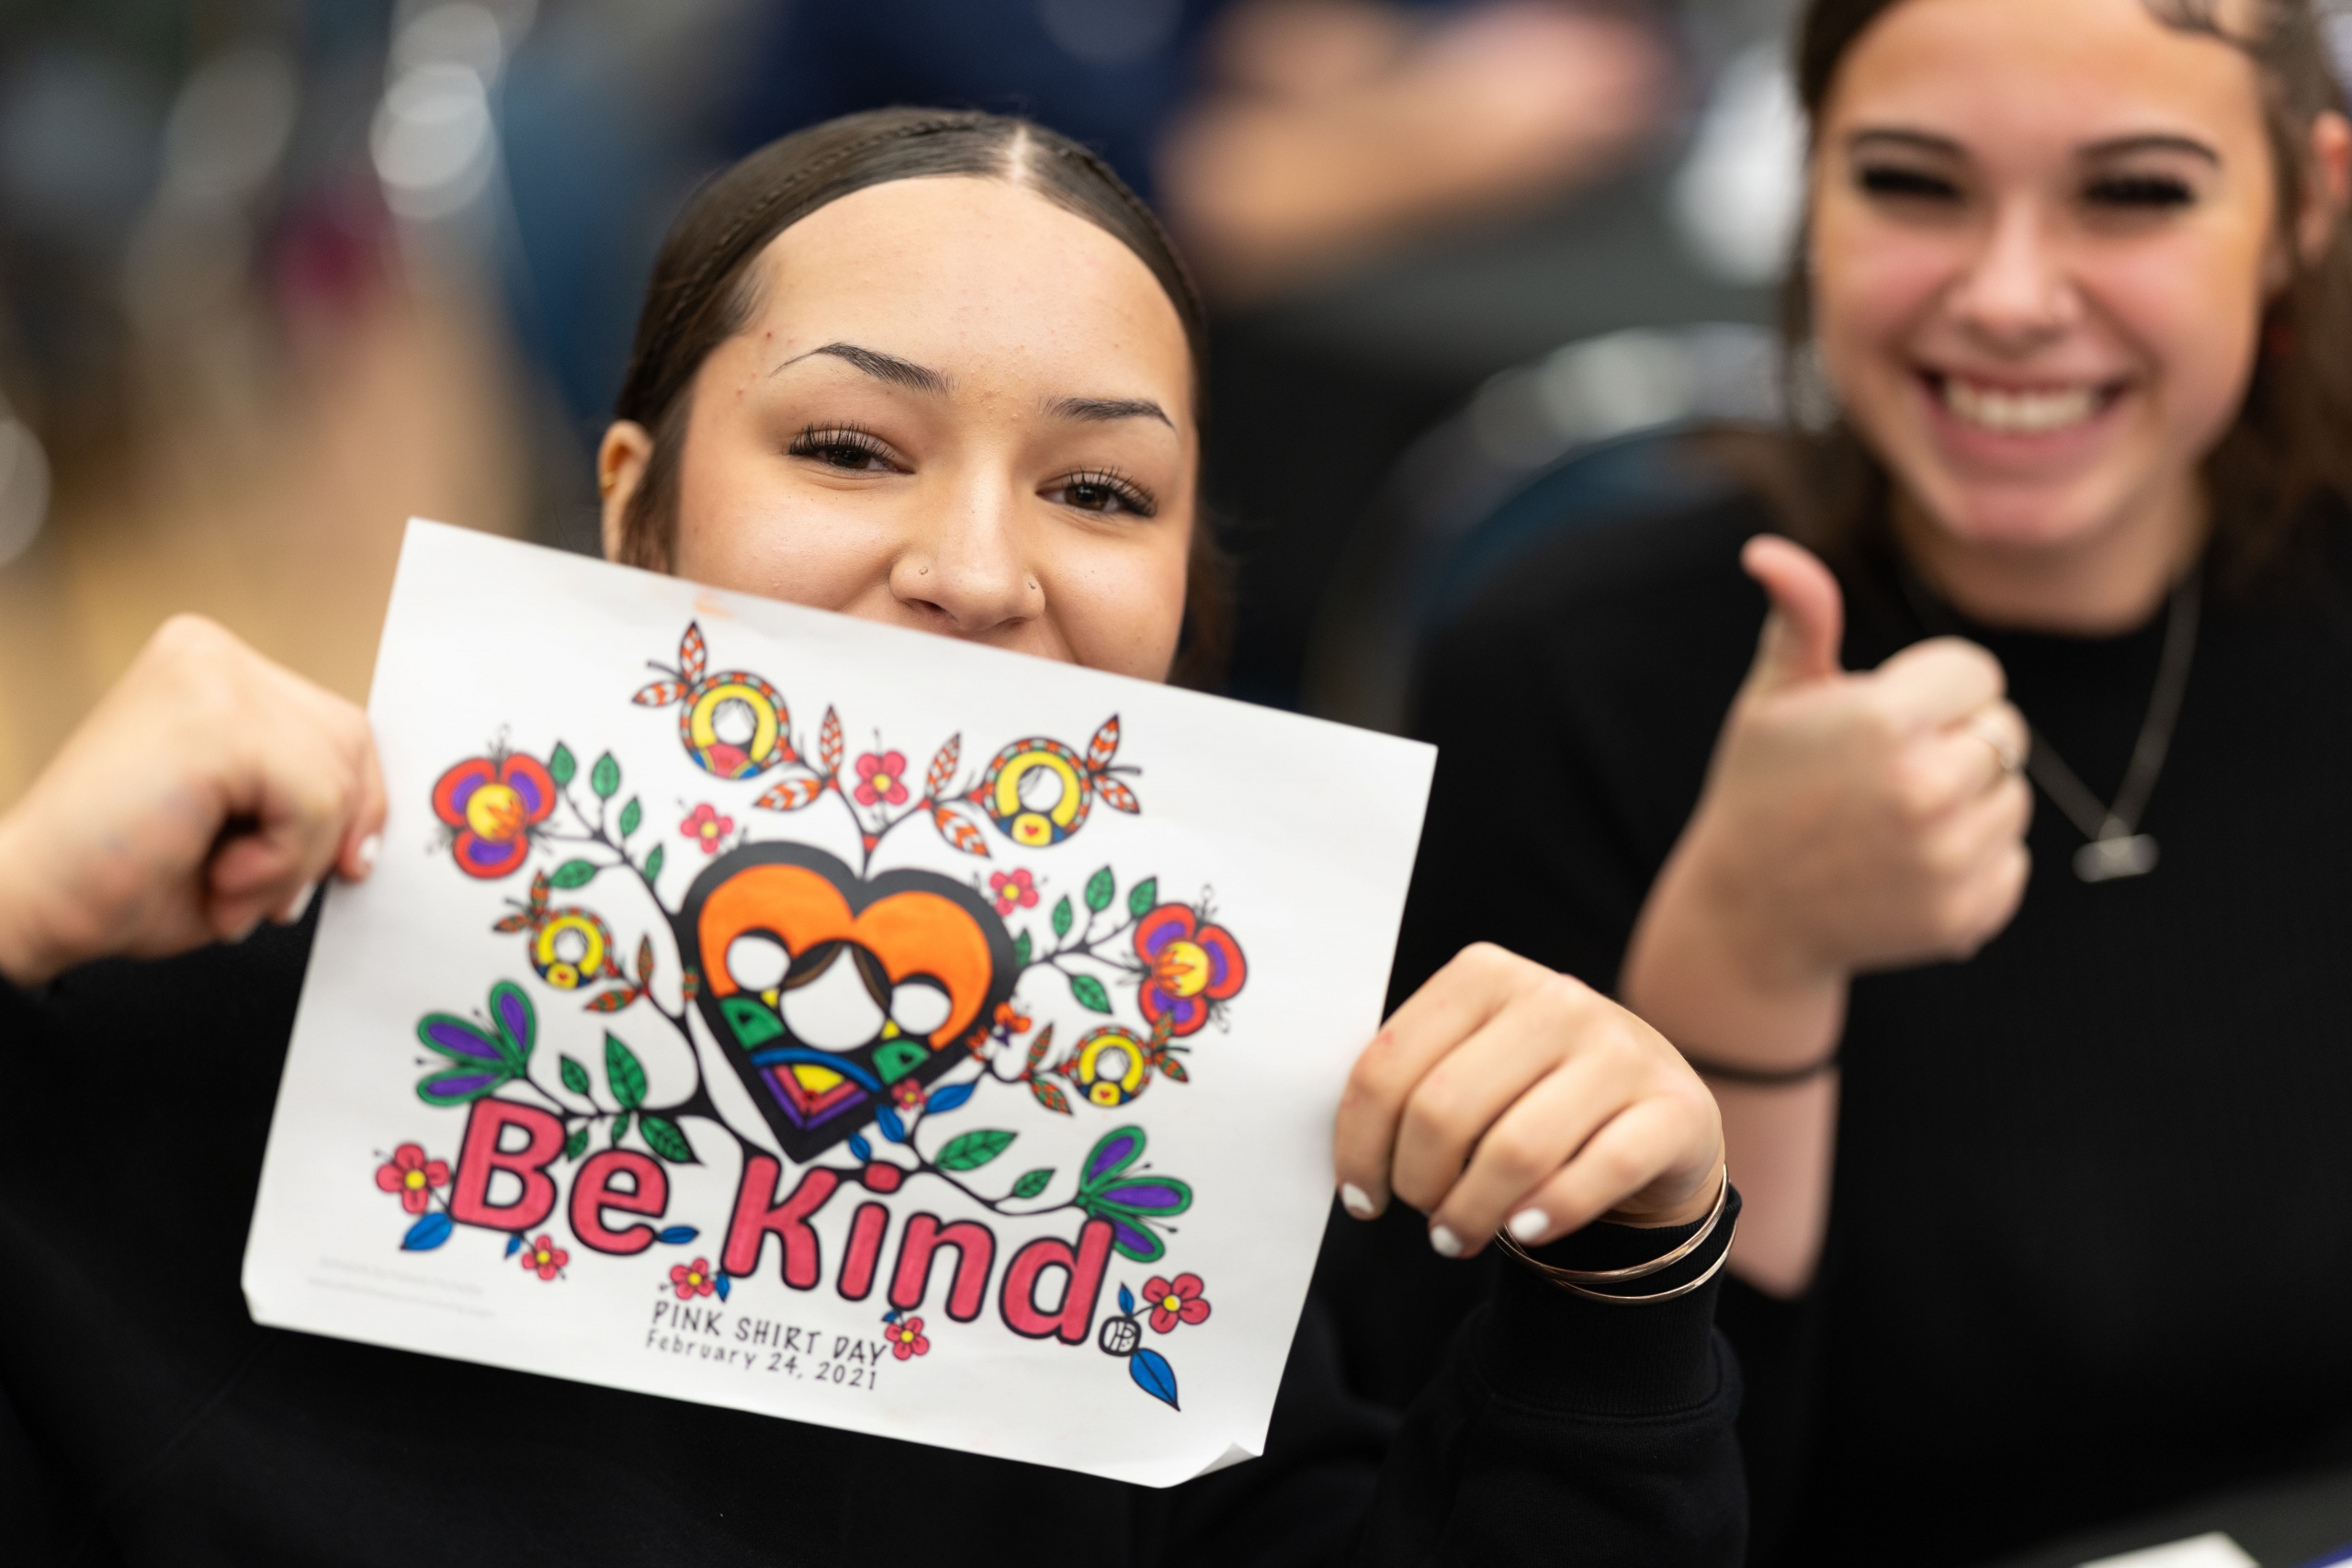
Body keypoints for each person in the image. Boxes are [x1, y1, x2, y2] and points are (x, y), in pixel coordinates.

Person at [0, 110, 1741, 1566]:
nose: (978, 573)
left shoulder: (1196, 1181)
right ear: (633, 503)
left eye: (1100, 493)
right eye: (846, 447)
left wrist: (1622, 1287)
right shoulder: (197, 991)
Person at [1393, 0, 2352, 1562]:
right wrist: (1747, 958)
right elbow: (1524, 1495)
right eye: (1914, 184)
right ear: (1808, 194)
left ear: (2305, 207)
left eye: (2134, 194)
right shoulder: (1572, 670)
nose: (2012, 296)